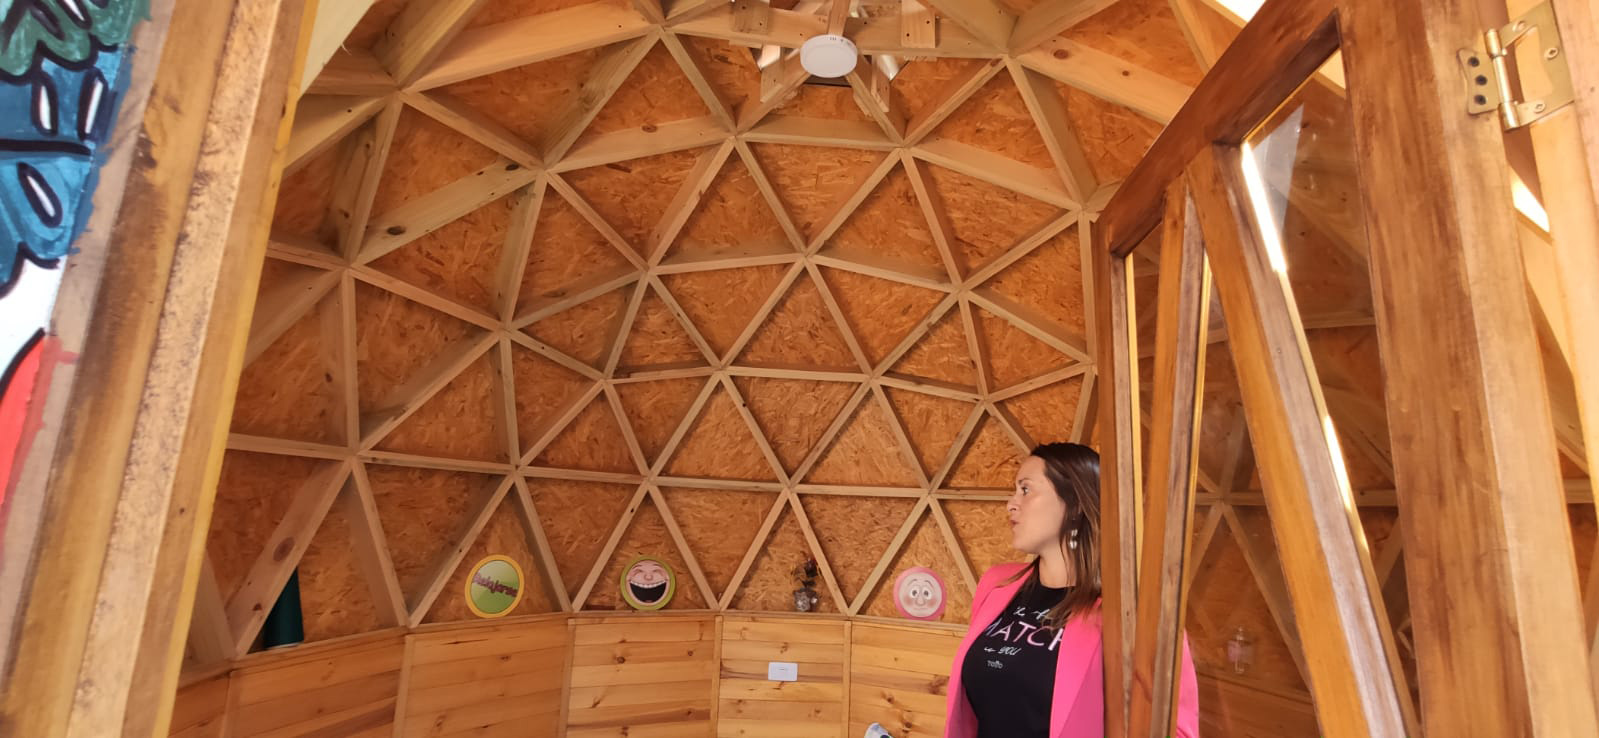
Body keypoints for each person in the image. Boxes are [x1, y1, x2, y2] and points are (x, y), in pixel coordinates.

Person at [943, 442, 1200, 737]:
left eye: (1025, 490)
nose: (1011, 504)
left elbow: (1177, 730)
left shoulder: (1134, 615)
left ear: (1075, 503)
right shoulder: (996, 584)